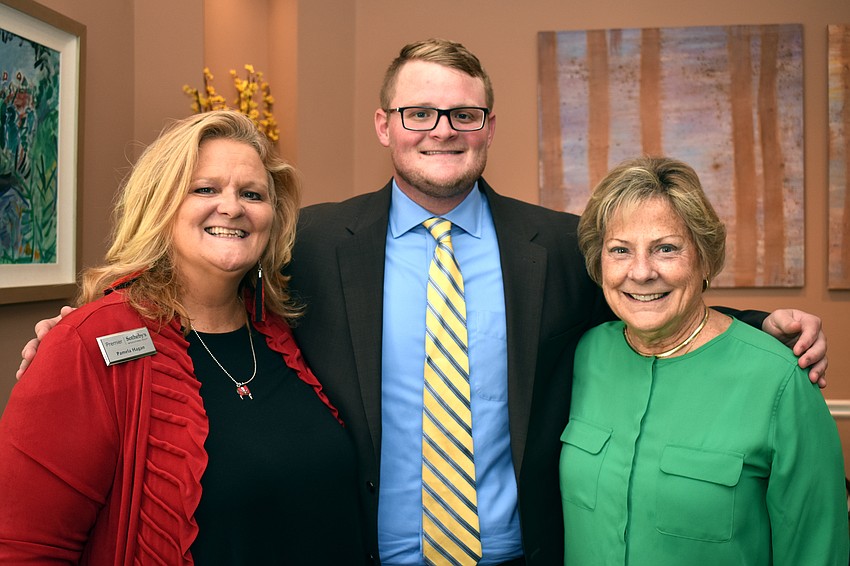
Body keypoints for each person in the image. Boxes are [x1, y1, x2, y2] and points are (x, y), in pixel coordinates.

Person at [15, 40, 829, 565]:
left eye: (463, 112)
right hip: (361, 555)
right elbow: (200, 285)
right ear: (385, 124)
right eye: (419, 112)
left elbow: (644, 296)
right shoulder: (309, 244)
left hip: (520, 557)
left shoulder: (561, 243)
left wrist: (764, 328)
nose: (442, 128)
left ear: (487, 124)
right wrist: (82, 332)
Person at [0, 110, 365, 564]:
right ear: (162, 204)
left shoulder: (286, 331)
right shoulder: (88, 342)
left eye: (251, 194)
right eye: (205, 189)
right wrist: (69, 342)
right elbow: (24, 548)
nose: (232, 207)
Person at [561, 156, 847, 565]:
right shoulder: (584, 355)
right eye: (620, 250)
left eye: (666, 248)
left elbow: (816, 551)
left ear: (704, 258)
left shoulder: (780, 381)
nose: (641, 272)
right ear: (599, 262)